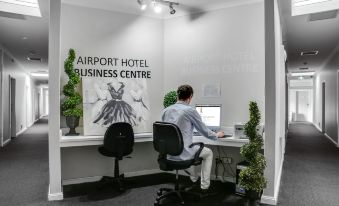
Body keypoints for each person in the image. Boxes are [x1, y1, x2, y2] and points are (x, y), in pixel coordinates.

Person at [161, 84, 224, 194]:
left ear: (178, 95)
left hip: (169, 154)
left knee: (191, 147)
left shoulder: (166, 111)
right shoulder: (190, 111)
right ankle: (204, 186)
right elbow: (204, 131)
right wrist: (217, 135)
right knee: (208, 152)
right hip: (183, 153)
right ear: (190, 97)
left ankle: (194, 178)